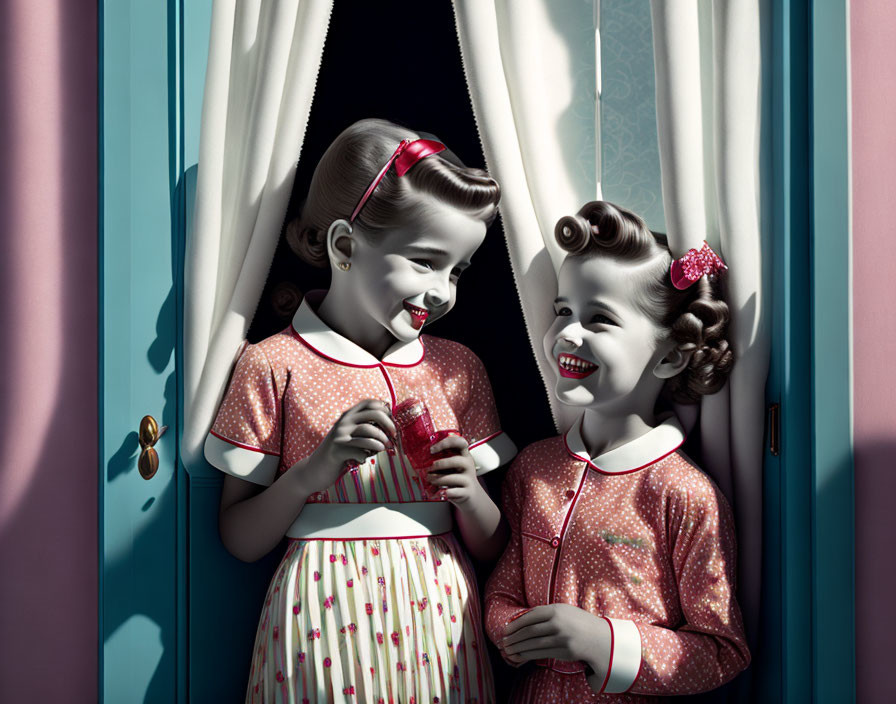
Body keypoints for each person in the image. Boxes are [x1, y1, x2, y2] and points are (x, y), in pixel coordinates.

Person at [205, 118, 516, 703]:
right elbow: (241, 538)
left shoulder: (457, 368)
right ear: (345, 246)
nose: (444, 290)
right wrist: (310, 475)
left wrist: (469, 493)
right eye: (426, 262)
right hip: (319, 619)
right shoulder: (273, 364)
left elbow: (494, 546)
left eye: (458, 270)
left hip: (439, 619)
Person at [485, 201, 750, 701]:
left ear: (670, 355)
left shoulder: (686, 494)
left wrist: (601, 642)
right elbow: (502, 589)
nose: (566, 331)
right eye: (563, 310)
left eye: (600, 318)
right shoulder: (533, 468)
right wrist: (511, 628)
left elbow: (722, 651)